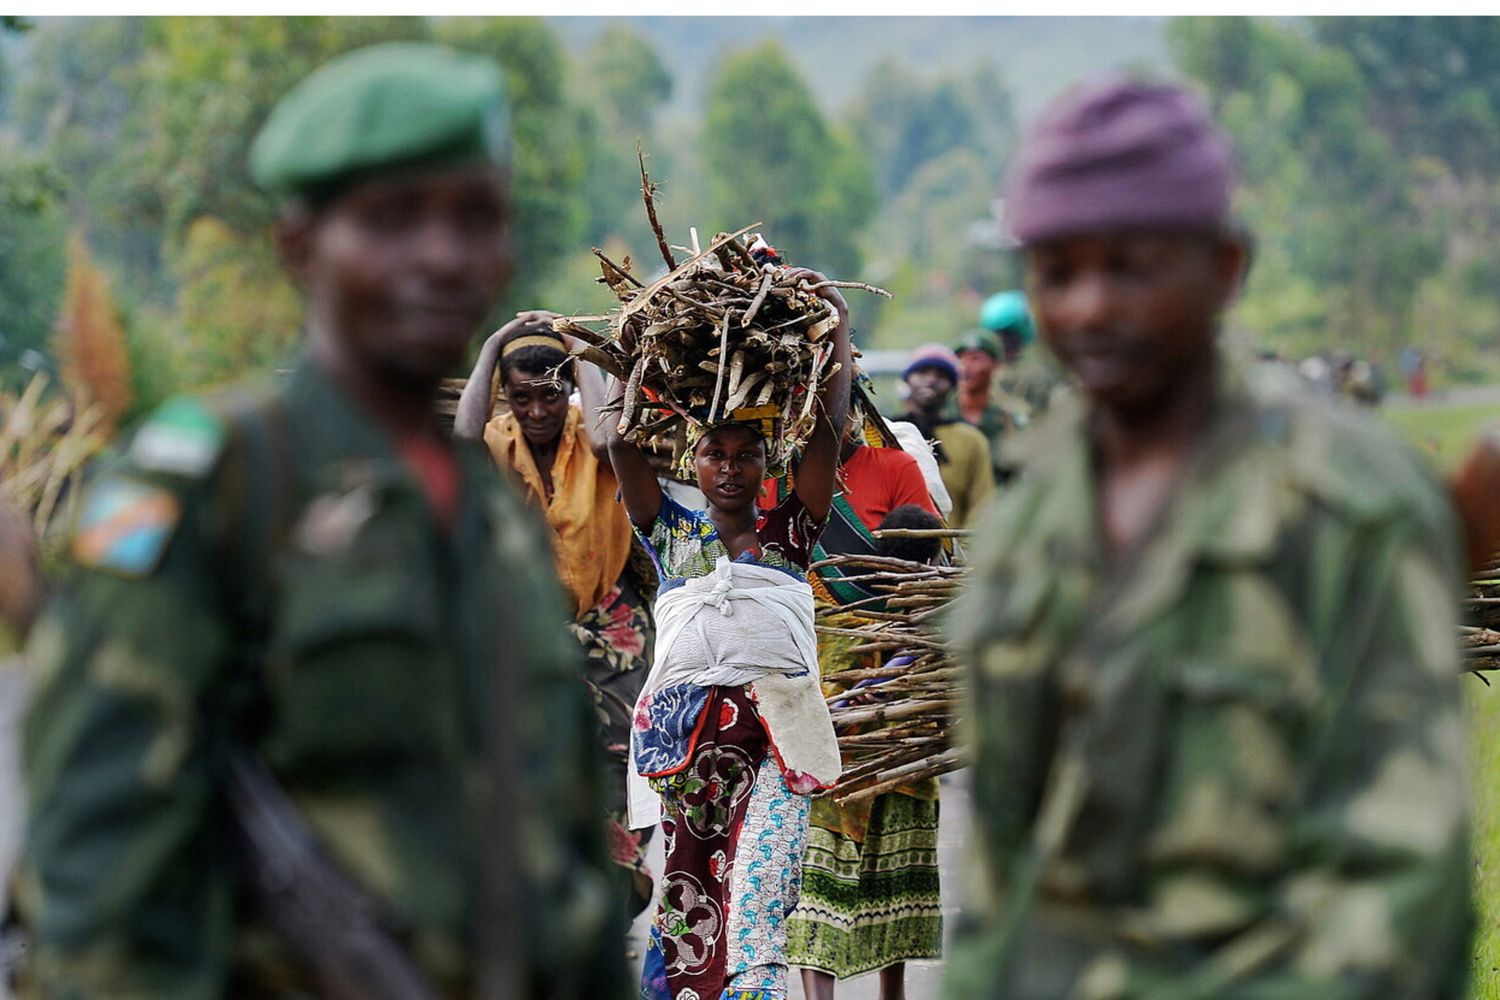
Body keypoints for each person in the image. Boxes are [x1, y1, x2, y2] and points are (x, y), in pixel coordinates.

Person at [16, 43, 622, 999]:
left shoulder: (491, 521)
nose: (442, 256)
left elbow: (562, 852)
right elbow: (98, 899)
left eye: (475, 218)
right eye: (390, 221)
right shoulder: (203, 489)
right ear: (299, 248)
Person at [944, 78, 1471, 999]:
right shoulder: (1031, 516)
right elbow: (1000, 869)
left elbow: (1404, 890)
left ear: (1225, 267)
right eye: (1058, 273)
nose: (1091, 309)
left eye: (1132, 268)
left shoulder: (1349, 509)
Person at [606, 270, 852, 1000]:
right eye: (716, 454)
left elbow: (831, 432)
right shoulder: (675, 539)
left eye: (746, 454)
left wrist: (836, 320)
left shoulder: (789, 532)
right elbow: (620, 446)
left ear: (767, 461)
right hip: (690, 750)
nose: (731, 468)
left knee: (760, 897)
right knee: (690, 913)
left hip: (777, 738)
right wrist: (635, 344)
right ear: (693, 462)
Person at [453, 315, 658, 916]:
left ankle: (614, 888)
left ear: (567, 391)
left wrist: (577, 350)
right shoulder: (496, 441)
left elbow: (606, 439)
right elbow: (460, 446)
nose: (537, 410)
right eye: (522, 398)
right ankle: (558, 896)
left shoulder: (590, 436)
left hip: (611, 631)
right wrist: (491, 345)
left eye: (550, 394)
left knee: (625, 767)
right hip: (526, 631)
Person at [776, 400, 945, 1000]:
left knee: (897, 846)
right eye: (812, 412)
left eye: (838, 410)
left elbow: (925, 564)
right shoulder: (778, 478)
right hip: (818, 669)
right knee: (817, 842)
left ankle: (891, 991)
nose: (828, 424)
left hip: (898, 685)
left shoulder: (896, 466)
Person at [894, 344, 995, 529]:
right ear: (908, 380)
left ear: (953, 387)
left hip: (953, 552)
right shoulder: (887, 433)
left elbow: (982, 507)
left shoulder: (971, 441)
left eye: (941, 376)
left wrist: (963, 553)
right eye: (923, 372)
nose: (931, 380)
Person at [950, 325, 1031, 486]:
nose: (965, 366)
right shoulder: (941, 415)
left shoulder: (1011, 420)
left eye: (976, 358)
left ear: (995, 365)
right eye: (960, 358)